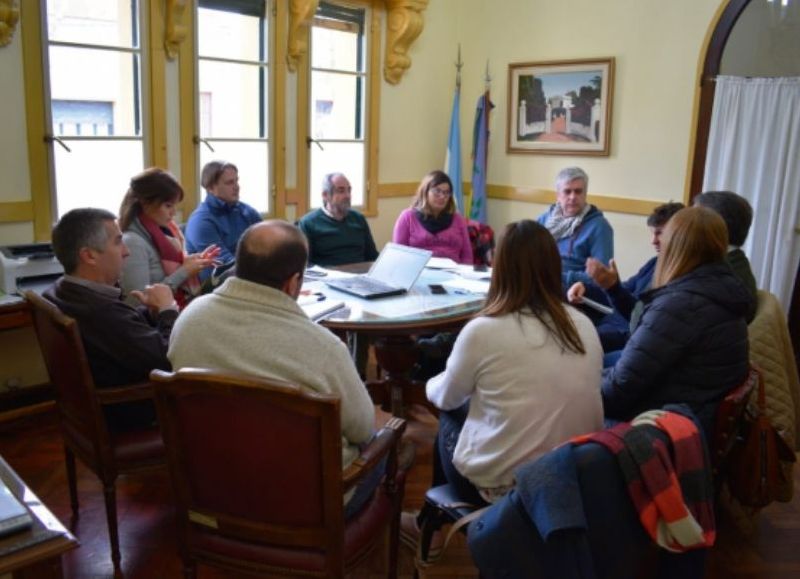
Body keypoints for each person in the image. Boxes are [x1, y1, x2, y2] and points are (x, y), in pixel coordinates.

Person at [168, 220, 378, 517]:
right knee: (389, 443)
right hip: (308, 503)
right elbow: (362, 428)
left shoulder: (189, 320)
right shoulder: (324, 348)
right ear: (293, 283)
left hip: (215, 488)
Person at [425, 219, 603, 505]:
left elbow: (445, 397)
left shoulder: (484, 330)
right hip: (571, 477)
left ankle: (432, 520)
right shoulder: (583, 326)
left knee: (450, 412)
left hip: (504, 491)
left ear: (499, 266)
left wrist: (431, 382)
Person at [601, 206, 751, 439]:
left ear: (674, 246)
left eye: (663, 235)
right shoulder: (723, 288)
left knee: (559, 412)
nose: (655, 243)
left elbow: (617, 394)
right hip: (695, 417)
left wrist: (574, 390)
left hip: (667, 432)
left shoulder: (680, 306)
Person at [44, 208, 178, 431]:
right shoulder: (99, 311)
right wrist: (167, 310)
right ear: (89, 256)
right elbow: (167, 357)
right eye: (118, 242)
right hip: (132, 412)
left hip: (91, 410)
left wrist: (149, 313)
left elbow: (119, 334)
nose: (126, 252)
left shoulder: (61, 290)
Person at [567, 201, 684, 353]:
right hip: (611, 322)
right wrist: (586, 289)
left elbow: (642, 317)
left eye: (660, 233)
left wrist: (612, 286)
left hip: (627, 335)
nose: (653, 241)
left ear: (679, 233)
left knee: (568, 340)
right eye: (652, 233)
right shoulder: (655, 262)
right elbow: (626, 289)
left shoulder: (680, 274)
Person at [118, 168, 219, 307]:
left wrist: (191, 262)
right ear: (145, 203)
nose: (173, 213)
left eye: (174, 206)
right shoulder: (132, 242)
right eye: (168, 205)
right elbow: (137, 301)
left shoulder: (164, 233)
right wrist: (185, 272)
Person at [537, 167, 613, 287]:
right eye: (567, 191)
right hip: (539, 284)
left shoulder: (599, 227)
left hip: (573, 292)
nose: (572, 197)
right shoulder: (543, 220)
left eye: (578, 191)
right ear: (558, 195)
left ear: (585, 194)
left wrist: (557, 277)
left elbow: (601, 277)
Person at [185, 161, 261, 272]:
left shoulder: (246, 211)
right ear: (211, 188)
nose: (236, 187)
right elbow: (226, 264)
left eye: (236, 181)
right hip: (219, 284)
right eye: (229, 183)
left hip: (248, 274)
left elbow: (267, 245)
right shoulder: (201, 221)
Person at [694, 190, 758, 322]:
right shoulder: (730, 265)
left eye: (692, 220)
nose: (685, 227)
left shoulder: (721, 280)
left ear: (713, 227)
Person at [297, 173, 379, 266]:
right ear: (325, 195)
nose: (347, 195)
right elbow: (305, 265)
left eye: (349, 190)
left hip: (360, 275)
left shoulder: (358, 219)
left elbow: (372, 256)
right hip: (327, 278)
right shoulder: (308, 223)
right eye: (341, 191)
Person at [392, 170, 473, 264]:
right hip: (419, 274)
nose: (442, 196)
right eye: (437, 191)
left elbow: (467, 257)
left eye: (446, 192)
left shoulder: (458, 219)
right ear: (425, 192)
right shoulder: (407, 217)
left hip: (453, 275)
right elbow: (398, 256)